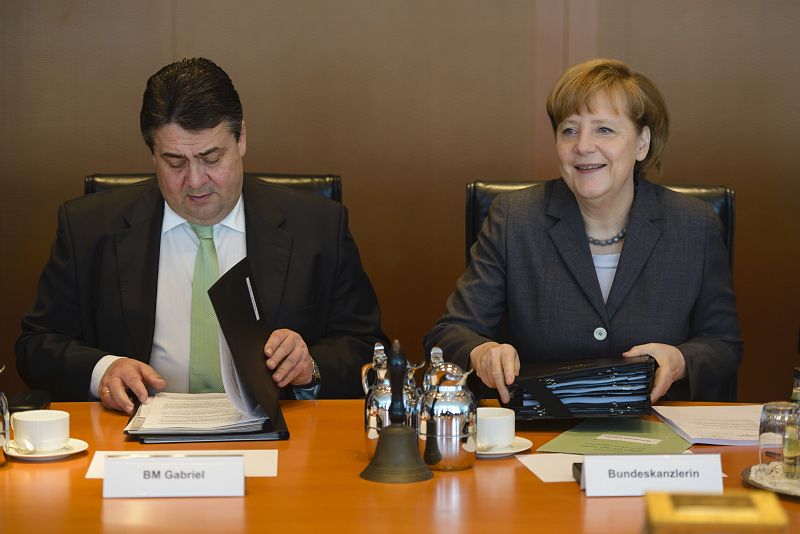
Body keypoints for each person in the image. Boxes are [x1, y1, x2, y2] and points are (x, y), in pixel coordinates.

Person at [16, 57, 386, 413]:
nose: (195, 182)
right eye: (175, 162)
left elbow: (367, 347)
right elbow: (36, 346)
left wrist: (312, 366)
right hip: (134, 439)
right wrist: (102, 371)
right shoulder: (89, 227)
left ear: (241, 139)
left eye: (211, 158)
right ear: (153, 154)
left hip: (279, 438)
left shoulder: (317, 226)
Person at [425, 58, 742, 404]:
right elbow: (449, 334)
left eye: (604, 129)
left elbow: (723, 345)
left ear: (641, 143)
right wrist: (481, 351)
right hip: (538, 433)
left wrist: (680, 361)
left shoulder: (694, 225)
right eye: (569, 130)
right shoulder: (514, 219)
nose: (583, 146)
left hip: (656, 433)